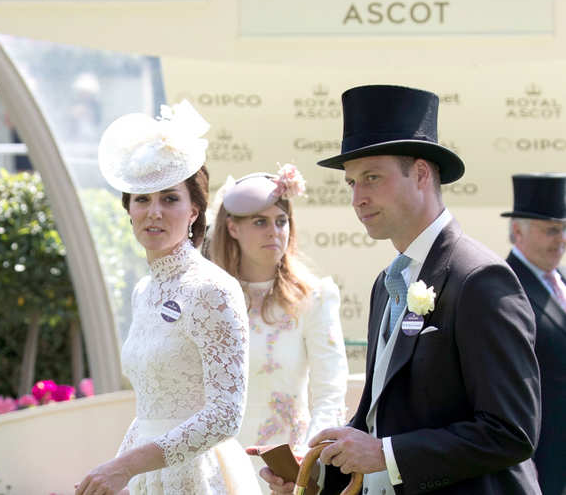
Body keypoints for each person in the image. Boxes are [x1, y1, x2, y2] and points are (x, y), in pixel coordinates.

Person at [258, 85, 541, 494]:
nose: (358, 198)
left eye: (372, 178)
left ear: (422, 174)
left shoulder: (480, 279)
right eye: (351, 183)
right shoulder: (386, 283)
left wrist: (385, 455)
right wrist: (318, 470)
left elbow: (512, 431)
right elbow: (381, 418)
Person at [75, 100, 259, 495]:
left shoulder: (213, 289)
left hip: (196, 476)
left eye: (169, 198)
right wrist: (119, 472)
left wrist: (124, 466)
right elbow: (151, 410)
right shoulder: (143, 291)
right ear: (129, 209)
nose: (154, 211)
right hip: (143, 476)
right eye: (142, 199)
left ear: (194, 210)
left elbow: (226, 415)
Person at [208, 165, 348, 492]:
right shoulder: (210, 299)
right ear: (232, 228)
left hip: (286, 474)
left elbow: (330, 388)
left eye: (281, 221)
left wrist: (310, 460)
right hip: (217, 470)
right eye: (260, 222)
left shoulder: (314, 296)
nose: (274, 231)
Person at [502, 173, 566, 495]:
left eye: (565, 229)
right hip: (540, 463)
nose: (562, 239)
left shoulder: (561, 281)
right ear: (518, 231)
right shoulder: (504, 287)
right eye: (552, 230)